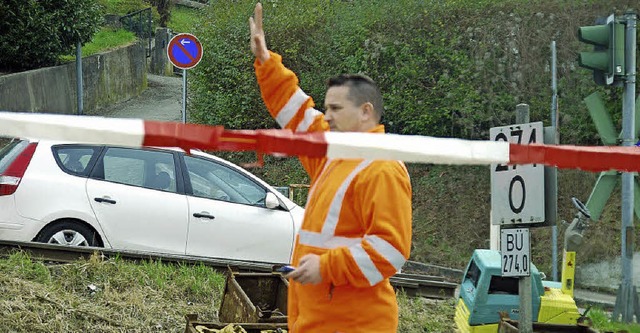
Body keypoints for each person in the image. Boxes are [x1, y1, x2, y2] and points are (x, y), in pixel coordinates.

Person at [249, 3, 412, 332]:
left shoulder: (381, 168)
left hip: (352, 322)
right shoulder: (334, 151)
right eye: (327, 108)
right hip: (324, 316)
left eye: (336, 108)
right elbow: (297, 111)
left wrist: (327, 268)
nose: (328, 116)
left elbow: (391, 249)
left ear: (365, 112)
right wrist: (266, 62)